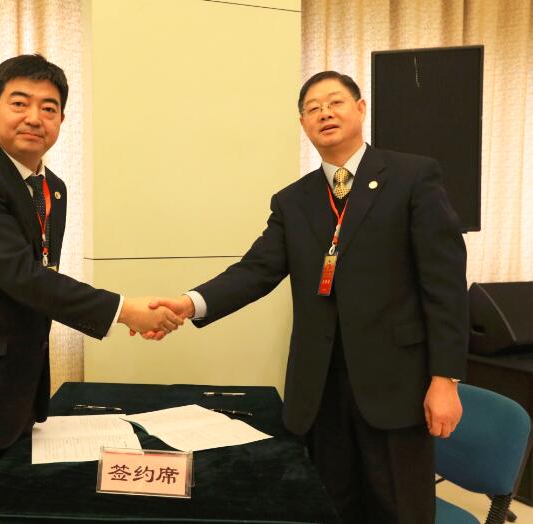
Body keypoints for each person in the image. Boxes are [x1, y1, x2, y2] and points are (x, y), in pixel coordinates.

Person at [147, 71, 468, 523]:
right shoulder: (294, 201)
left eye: (335, 102)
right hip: (319, 390)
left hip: (396, 386)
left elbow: (445, 285)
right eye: (313, 108)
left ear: (360, 109)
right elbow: (255, 271)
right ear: (303, 124)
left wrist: (445, 378)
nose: (325, 113)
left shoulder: (412, 177)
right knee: (328, 508)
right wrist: (189, 303)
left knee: (400, 511)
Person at [0, 54, 182, 524]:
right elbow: (23, 277)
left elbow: (37, 278)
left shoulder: (50, 187)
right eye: (19, 103)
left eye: (49, 107)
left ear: (62, 119)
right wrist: (125, 310)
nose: (34, 117)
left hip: (11, 393)